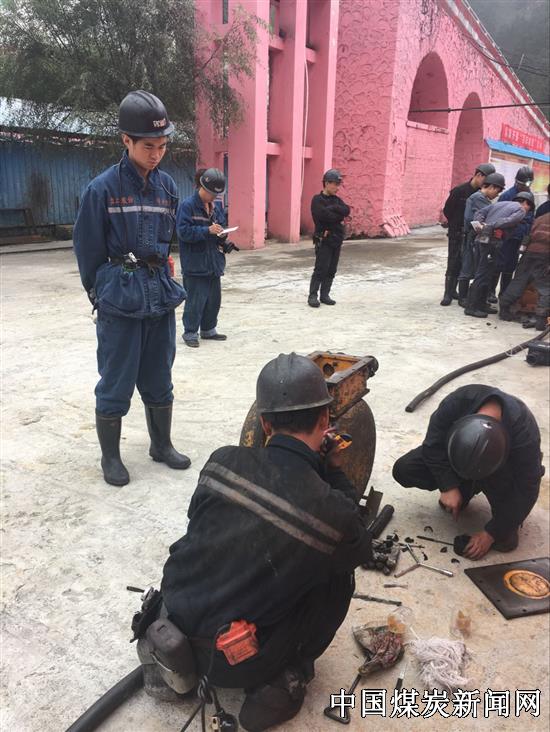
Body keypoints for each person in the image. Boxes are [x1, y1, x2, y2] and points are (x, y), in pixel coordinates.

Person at [156, 353, 373, 731]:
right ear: (325, 421)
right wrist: (334, 473)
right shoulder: (330, 511)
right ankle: (287, 677)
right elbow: (360, 545)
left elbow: (198, 521)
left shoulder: (222, 461)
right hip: (238, 660)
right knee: (340, 573)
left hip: (172, 622)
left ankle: (172, 664)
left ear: (264, 423)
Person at [73, 90, 191, 486]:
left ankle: (162, 445)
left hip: (159, 297)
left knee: (159, 376)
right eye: (148, 146)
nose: (156, 154)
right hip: (120, 299)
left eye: (162, 146)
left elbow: (166, 242)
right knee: (116, 380)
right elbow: (87, 250)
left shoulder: (168, 188)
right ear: (126, 140)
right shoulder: (102, 190)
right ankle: (110, 458)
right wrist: (101, 294)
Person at [393, 384, 543, 561]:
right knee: (405, 469)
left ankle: (476, 489)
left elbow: (528, 487)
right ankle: (464, 488)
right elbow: (432, 446)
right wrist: (448, 485)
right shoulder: (455, 403)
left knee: (505, 539)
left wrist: (491, 533)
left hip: (500, 473)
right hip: (458, 457)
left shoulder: (525, 434)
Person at [177, 167, 233, 347]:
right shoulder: (187, 206)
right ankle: (190, 332)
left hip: (213, 262)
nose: (213, 197)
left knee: (213, 300)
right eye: (211, 193)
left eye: (216, 194)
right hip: (195, 264)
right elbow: (183, 232)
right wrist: (207, 230)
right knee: (195, 300)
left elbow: (220, 227)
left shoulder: (216, 207)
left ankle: (208, 329)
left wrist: (223, 237)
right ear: (202, 187)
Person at [463, 192, 532, 318]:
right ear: (526, 203)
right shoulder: (521, 209)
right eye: (529, 208)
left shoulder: (499, 204)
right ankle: (471, 307)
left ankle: (481, 304)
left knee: (486, 273)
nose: (527, 212)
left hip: (481, 240)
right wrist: (491, 225)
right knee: (483, 274)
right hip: (492, 242)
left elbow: (479, 213)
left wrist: (481, 224)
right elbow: (510, 221)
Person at [440, 163, 495, 306]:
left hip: (470, 234)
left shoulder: (481, 195)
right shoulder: (459, 191)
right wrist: (456, 224)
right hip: (456, 232)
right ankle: (448, 293)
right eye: (486, 180)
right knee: (453, 261)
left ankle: (456, 291)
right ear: (478, 175)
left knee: (465, 262)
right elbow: (448, 210)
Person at [457, 172, 505, 307]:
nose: (496, 195)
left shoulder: (479, 198)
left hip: (473, 235)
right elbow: (488, 217)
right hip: (473, 236)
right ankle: (463, 298)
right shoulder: (479, 199)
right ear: (492, 187)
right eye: (497, 191)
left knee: (470, 266)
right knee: (468, 267)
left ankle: (466, 297)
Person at [499, 209, 550, 330]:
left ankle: (504, 309)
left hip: (529, 253)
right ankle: (541, 320)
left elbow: (528, 235)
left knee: (519, 280)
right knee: (545, 287)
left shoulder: (541, 218)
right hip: (544, 254)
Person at [490, 165, 536, 300]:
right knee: (498, 264)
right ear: (517, 182)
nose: (526, 187)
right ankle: (491, 292)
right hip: (505, 237)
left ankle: (504, 293)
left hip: (518, 238)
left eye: (528, 184)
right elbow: (499, 215)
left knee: (510, 267)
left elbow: (530, 218)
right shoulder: (507, 195)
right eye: (523, 184)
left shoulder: (529, 196)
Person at [308, 169, 350, 308]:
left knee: (332, 269)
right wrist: (337, 213)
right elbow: (324, 216)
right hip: (324, 239)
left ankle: (325, 295)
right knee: (321, 268)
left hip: (336, 240)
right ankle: (313, 296)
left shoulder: (337, 200)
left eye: (338, 185)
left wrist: (334, 209)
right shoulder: (317, 200)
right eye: (335, 184)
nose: (337, 188)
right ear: (326, 183)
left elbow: (346, 210)